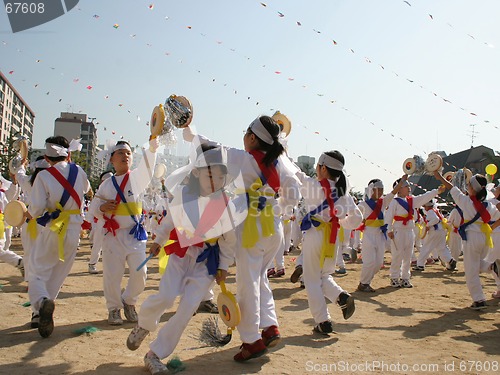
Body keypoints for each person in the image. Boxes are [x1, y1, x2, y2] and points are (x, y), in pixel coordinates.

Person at [183, 115, 300, 361]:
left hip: (251, 229)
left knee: (247, 285)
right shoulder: (282, 162)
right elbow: (295, 193)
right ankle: (269, 326)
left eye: (246, 133)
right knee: (258, 279)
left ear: (252, 137)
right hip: (273, 229)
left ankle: (251, 340)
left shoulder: (244, 159)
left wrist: (189, 129)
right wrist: (277, 207)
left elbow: (213, 148)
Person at [126, 145, 238, 374]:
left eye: (220, 175)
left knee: (187, 309)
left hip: (207, 262)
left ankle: (155, 354)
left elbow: (229, 241)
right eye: (210, 174)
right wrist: (159, 239)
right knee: (166, 297)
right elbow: (169, 222)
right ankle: (144, 324)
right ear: (196, 172)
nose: (215, 180)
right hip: (180, 254)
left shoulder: (227, 205)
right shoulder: (183, 195)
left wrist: (224, 266)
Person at [27, 136, 91, 338]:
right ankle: (40, 312)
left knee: (38, 272)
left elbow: (36, 209)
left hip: (53, 228)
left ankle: (42, 303)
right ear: (69, 154)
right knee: (58, 273)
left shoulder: (43, 177)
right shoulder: (79, 171)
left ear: (46, 157)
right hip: (73, 230)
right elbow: (88, 191)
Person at [297, 151, 362, 334]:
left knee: (311, 280)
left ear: (323, 168)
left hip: (315, 235)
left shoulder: (313, 187)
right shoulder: (345, 195)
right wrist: (341, 222)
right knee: (323, 275)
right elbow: (358, 218)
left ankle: (323, 321)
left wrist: (282, 150)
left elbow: (296, 174)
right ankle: (340, 297)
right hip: (332, 238)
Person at [94, 139, 157, 325]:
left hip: (134, 234)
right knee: (113, 275)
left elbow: (149, 165)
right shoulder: (106, 185)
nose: (125, 156)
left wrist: (153, 146)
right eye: (120, 153)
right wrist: (103, 207)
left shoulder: (137, 178)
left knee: (141, 273)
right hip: (113, 237)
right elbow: (94, 210)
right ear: (112, 159)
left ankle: (129, 301)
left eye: (128, 153)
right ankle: (113, 308)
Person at [434, 171, 500, 309]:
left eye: (469, 184)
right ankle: (490, 266)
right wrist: (492, 226)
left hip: (471, 237)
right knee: (476, 265)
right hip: (485, 237)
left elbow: (452, 187)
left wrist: (439, 177)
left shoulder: (465, 202)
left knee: (471, 271)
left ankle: (479, 299)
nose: (467, 186)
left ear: (472, 188)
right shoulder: (489, 206)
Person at [385, 179, 444, 288]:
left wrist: (436, 191)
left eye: (409, 186)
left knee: (408, 256)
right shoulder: (394, 201)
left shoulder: (411, 201)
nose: (409, 188)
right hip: (399, 231)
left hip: (409, 231)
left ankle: (405, 278)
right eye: (406, 186)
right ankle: (394, 277)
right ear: (398, 189)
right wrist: (389, 230)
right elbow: (388, 217)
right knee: (397, 255)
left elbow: (424, 197)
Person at [356, 176, 407, 292]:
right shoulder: (363, 205)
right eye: (377, 189)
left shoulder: (383, 202)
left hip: (379, 235)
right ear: (371, 190)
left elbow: (393, 193)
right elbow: (354, 216)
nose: (380, 192)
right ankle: (364, 283)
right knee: (369, 262)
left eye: (382, 189)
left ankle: (365, 282)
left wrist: (402, 181)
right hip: (368, 235)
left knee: (378, 263)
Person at [413, 200, 456, 271]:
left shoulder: (430, 211)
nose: (424, 208)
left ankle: (420, 265)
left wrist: (428, 225)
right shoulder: (436, 210)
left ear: (427, 206)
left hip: (434, 231)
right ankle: (450, 260)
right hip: (441, 231)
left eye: (424, 206)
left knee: (426, 247)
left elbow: (436, 219)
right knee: (442, 248)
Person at [86, 171, 113, 274]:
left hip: (116, 223)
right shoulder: (99, 194)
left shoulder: (118, 191)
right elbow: (93, 209)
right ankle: (92, 264)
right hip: (102, 222)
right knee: (97, 244)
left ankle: (111, 266)